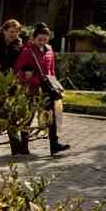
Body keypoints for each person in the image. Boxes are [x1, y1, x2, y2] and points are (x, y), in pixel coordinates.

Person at [15, 23, 69, 155]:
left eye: (45, 40)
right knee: (28, 116)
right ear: (33, 38)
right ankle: (24, 145)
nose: (42, 42)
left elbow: (51, 70)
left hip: (47, 88)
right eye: (40, 39)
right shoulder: (27, 51)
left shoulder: (49, 50)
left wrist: (55, 84)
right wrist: (27, 77)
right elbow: (17, 70)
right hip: (31, 88)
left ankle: (54, 144)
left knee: (52, 116)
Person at [0, 19, 28, 154]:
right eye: (11, 31)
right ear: (4, 30)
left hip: (11, 83)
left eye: (16, 32)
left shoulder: (19, 44)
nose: (14, 34)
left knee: (11, 113)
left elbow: (23, 62)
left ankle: (15, 146)